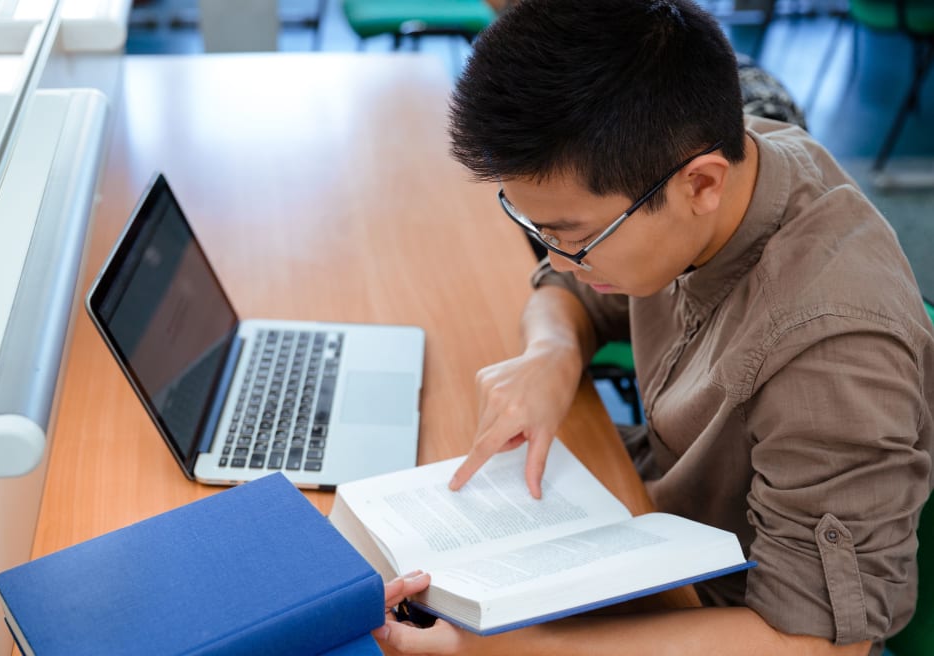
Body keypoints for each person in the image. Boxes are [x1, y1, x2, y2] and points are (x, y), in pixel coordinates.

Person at [372, 0, 934, 654]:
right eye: (538, 230)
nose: (557, 260)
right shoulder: (703, 166)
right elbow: (567, 288)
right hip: (656, 536)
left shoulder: (836, 349)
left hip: (732, 615)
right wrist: (552, 352)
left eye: (573, 236)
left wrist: (513, 651)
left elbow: (815, 645)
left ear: (702, 185)